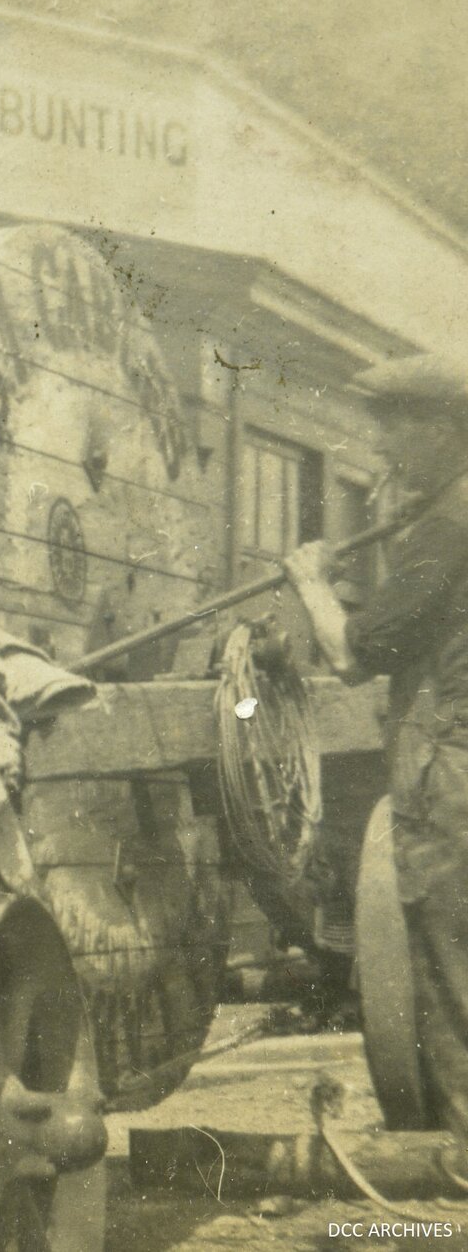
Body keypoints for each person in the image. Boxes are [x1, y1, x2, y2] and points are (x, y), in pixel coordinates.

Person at [283, 354, 468, 1148]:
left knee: (454, 977)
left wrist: (311, 582)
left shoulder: (451, 523)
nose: (386, 445)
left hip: (452, 772)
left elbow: (360, 653)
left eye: (400, 427)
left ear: (447, 430)